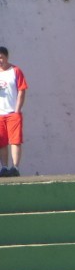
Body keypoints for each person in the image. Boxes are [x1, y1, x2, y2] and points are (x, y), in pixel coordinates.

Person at [0, 46, 27, 177]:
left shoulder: (15, 71)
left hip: (12, 113)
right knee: (1, 142)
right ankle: (4, 167)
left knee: (15, 141)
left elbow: (22, 90)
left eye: (1, 57)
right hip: (0, 114)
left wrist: (17, 110)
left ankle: (15, 168)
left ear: (6, 57)